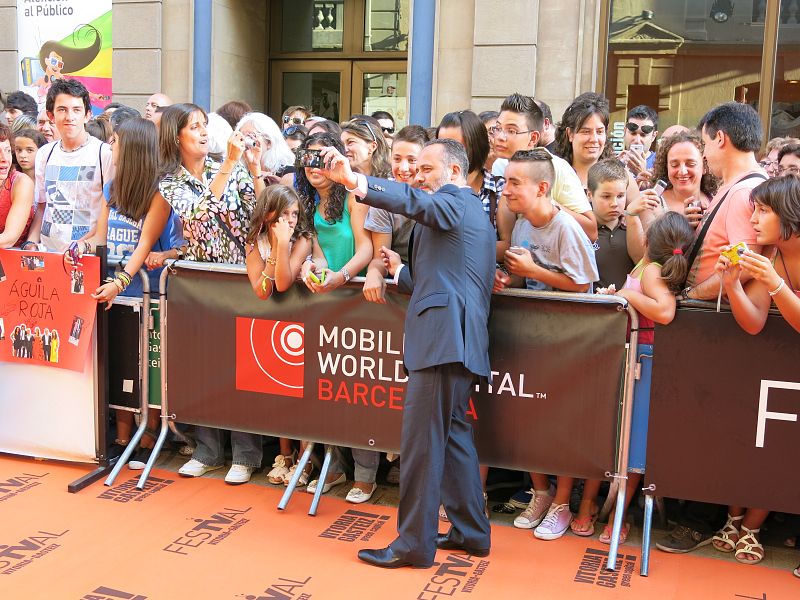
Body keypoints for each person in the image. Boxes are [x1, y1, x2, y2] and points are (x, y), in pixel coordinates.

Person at [320, 137, 495, 569]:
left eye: (426, 170)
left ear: (454, 172)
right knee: (453, 440)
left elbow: (418, 204)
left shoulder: (456, 202)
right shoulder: (467, 215)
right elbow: (446, 280)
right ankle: (471, 532)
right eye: (415, 172)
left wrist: (355, 181)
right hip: (456, 341)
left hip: (442, 342)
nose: (417, 178)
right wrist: (401, 274)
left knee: (420, 446)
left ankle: (415, 543)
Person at [494, 149, 598, 540]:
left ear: (542, 188)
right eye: (505, 181)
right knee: (529, 416)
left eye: (514, 183)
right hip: (531, 336)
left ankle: (562, 505)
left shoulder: (566, 227)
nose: (505, 190)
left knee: (562, 424)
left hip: (570, 341)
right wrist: (508, 280)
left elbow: (584, 284)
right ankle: (541, 492)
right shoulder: (521, 226)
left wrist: (533, 271)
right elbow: (523, 277)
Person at [158, 103, 264, 484]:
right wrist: (228, 166)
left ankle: (246, 455)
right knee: (206, 369)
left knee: (242, 370)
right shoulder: (170, 180)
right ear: (176, 137)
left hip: (239, 277)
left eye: (205, 125)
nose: (204, 132)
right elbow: (199, 216)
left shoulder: (231, 164)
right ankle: (208, 450)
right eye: (194, 127)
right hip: (201, 282)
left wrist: (251, 169)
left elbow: (257, 213)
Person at [76, 117, 185, 467]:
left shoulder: (159, 195)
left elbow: (144, 248)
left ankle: (150, 435)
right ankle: (123, 436)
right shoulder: (112, 188)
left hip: (147, 294)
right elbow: (101, 237)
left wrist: (121, 281)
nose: (111, 146)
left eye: (116, 140)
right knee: (121, 364)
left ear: (134, 147)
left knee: (148, 368)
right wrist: (78, 245)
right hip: (113, 291)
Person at [713, 175, 800, 565]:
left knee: (784, 450)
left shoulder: (775, 264)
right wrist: (731, 285)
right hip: (777, 372)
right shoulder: (771, 253)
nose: (755, 220)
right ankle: (736, 521)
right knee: (756, 442)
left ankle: (752, 527)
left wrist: (778, 284)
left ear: (789, 214)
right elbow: (754, 322)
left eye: (763, 211)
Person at [594, 211, 694, 543]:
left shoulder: (651, 271)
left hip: (644, 363)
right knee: (624, 443)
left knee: (632, 446)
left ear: (650, 241)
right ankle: (616, 515)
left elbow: (665, 311)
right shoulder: (646, 267)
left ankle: (619, 518)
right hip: (632, 360)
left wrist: (627, 295)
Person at [294, 129, 375, 502]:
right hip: (326, 302)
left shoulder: (354, 197)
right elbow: (319, 251)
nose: (315, 165)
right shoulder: (307, 201)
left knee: (359, 392)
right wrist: (315, 269)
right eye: (308, 157)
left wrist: (341, 277)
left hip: (359, 301)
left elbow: (365, 249)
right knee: (327, 388)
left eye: (322, 157)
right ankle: (336, 468)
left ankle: (366, 475)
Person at [679, 102, 767, 303]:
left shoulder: (744, 191)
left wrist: (690, 295)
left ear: (720, 138)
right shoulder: (739, 187)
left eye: (704, 144)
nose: (703, 155)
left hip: (712, 316)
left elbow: (743, 267)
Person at [492, 93, 598, 240]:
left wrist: (547, 205)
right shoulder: (500, 165)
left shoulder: (555, 167)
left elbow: (591, 231)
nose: (500, 137)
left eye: (511, 131)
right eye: (497, 128)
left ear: (533, 138)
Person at [27, 79, 114, 252]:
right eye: (62, 110)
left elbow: (109, 210)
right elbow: (42, 206)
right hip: (48, 253)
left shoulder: (104, 153)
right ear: (51, 115)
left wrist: (84, 246)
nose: (69, 117)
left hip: (86, 254)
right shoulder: (45, 154)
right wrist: (30, 242)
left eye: (76, 110)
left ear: (87, 115)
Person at [363, 125, 430, 304]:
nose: (403, 167)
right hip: (398, 284)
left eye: (412, 159)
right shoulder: (383, 198)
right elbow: (380, 257)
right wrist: (374, 273)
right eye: (397, 159)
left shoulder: (439, 196)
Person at [437, 110, 514, 260]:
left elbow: (507, 245)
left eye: (454, 146)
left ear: (476, 145)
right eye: (440, 145)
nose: (444, 154)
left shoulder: (499, 189)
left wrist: (458, 249)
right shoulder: (433, 188)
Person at [245, 183, 312, 298]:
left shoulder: (302, 240)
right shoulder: (254, 243)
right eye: (284, 213)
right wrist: (276, 247)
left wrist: (282, 244)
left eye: (294, 214)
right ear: (266, 215)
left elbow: (282, 285)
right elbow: (262, 292)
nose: (291, 220)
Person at [587, 159, 643, 290]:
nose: (614, 203)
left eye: (620, 196)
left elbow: (643, 264)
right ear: (590, 195)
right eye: (606, 196)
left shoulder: (632, 226)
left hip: (626, 306)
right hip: (590, 306)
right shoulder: (581, 229)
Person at [644, 130, 719, 226]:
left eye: (690, 164)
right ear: (666, 167)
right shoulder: (652, 205)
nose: (682, 171)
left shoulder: (716, 199)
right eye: (674, 165)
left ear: (705, 166)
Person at [0, 122, 34, 248]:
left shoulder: (21, 182)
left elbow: (9, 238)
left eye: (8, 151)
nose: (4, 158)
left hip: (11, 261)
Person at [236, 112, 296, 178]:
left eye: (250, 136)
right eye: (241, 137)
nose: (245, 142)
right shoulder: (239, 171)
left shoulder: (288, 173)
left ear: (269, 142)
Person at [618, 104, 659, 177]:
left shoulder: (661, 164)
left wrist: (642, 173)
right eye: (633, 133)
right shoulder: (616, 162)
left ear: (653, 136)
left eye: (643, 135)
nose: (637, 140)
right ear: (624, 131)